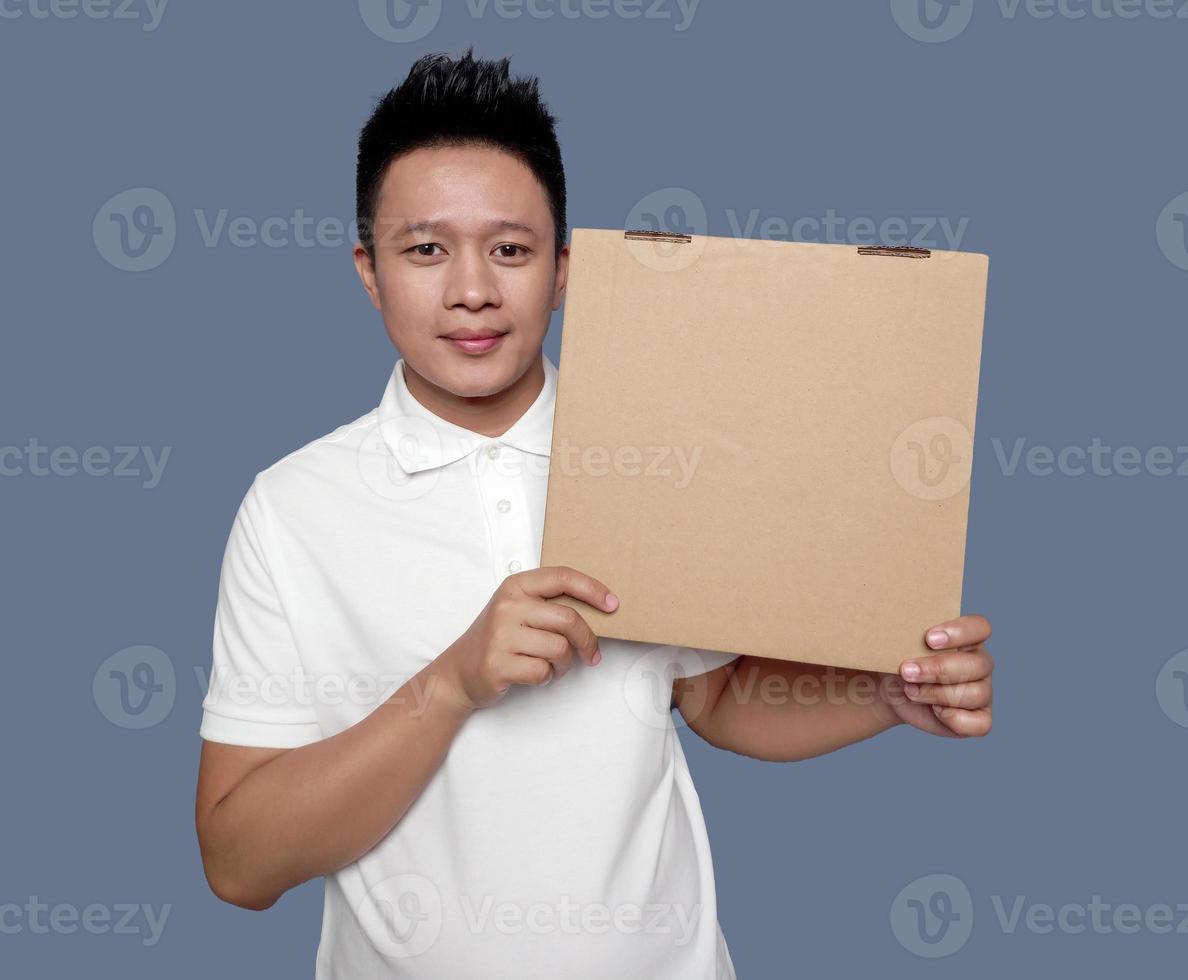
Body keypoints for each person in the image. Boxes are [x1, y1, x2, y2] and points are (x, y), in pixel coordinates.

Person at [194, 46, 995, 979]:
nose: (472, 290)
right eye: (425, 250)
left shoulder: (661, 452)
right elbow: (238, 862)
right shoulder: (293, 510)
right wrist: (452, 684)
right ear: (369, 272)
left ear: (565, 269)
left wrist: (886, 693)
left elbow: (717, 698)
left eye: (510, 249)